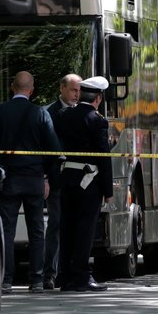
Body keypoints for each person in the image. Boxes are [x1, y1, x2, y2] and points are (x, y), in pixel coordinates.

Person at [0, 71, 61, 294]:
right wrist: (46, 178)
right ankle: (36, 280)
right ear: (31, 89)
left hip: (8, 181)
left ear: (11, 87)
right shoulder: (40, 114)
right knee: (37, 231)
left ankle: (5, 279)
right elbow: (54, 149)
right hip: (34, 180)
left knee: (6, 230)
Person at [54, 75, 113, 292]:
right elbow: (103, 157)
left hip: (68, 177)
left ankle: (66, 277)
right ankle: (81, 276)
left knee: (67, 228)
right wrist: (108, 190)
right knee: (85, 230)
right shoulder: (97, 120)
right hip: (90, 182)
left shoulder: (63, 115)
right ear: (98, 99)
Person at [43, 73, 82, 290]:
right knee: (56, 226)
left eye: (79, 91)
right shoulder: (48, 113)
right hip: (57, 178)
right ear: (62, 89)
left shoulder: (84, 112)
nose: (77, 95)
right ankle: (50, 274)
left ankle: (71, 272)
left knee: (76, 226)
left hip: (79, 179)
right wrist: (46, 177)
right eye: (73, 90)